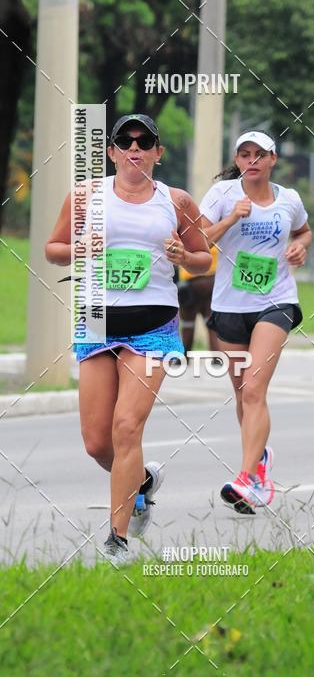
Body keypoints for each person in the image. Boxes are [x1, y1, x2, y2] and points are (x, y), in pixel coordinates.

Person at [46, 114, 211, 564]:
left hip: (153, 326)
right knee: (98, 443)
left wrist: (184, 254)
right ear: (112, 151)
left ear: (158, 152)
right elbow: (53, 249)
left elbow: (202, 259)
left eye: (145, 141)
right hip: (98, 322)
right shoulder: (85, 196)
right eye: (125, 140)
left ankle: (116, 542)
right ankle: (140, 485)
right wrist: (79, 249)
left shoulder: (176, 202)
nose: (134, 148)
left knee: (126, 428)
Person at [199, 130, 312, 514]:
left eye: (259, 154)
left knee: (253, 390)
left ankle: (248, 478)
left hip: (276, 302)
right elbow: (198, 240)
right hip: (229, 305)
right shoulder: (222, 196)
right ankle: (260, 463)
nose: (252, 160)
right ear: (238, 159)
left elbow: (303, 231)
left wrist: (300, 247)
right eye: (244, 154)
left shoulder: (289, 199)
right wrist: (231, 218)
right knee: (241, 394)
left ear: (272, 159)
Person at [178, 246, 219, 355]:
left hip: (191, 282)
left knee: (188, 323)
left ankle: (184, 355)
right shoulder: (216, 233)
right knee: (210, 322)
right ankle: (216, 356)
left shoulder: (186, 234)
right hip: (210, 281)